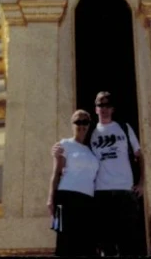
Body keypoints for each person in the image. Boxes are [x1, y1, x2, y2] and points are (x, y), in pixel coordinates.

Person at [90, 91, 144, 257]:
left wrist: (142, 183)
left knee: (128, 241)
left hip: (125, 191)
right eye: (100, 105)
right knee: (106, 243)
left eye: (107, 105)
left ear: (112, 109)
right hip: (100, 192)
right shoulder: (90, 132)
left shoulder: (124, 127)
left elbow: (139, 155)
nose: (104, 108)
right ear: (96, 109)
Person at [47, 109, 99, 257]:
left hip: (87, 201)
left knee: (87, 245)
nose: (81, 125)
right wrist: (51, 198)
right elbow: (56, 173)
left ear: (89, 125)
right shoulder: (65, 144)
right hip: (66, 198)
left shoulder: (91, 150)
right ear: (72, 124)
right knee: (65, 243)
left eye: (85, 122)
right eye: (78, 121)